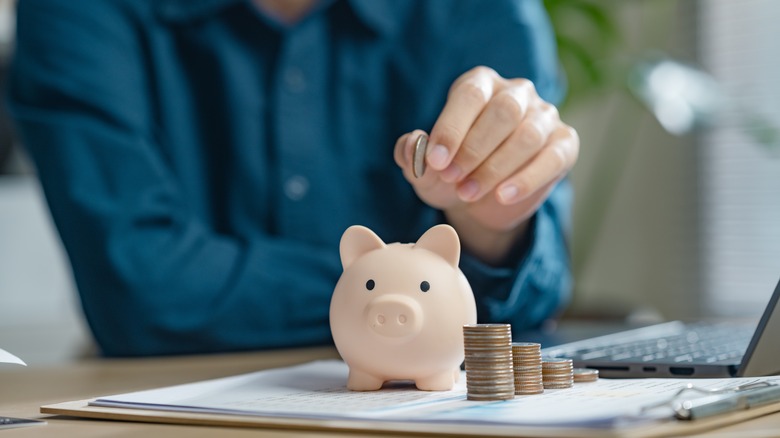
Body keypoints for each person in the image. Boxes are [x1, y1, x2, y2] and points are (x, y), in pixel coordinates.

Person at [7, 0, 579, 356]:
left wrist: (489, 229)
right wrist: (445, 293)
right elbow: (139, 292)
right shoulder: (76, 11)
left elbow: (535, 284)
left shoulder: (480, 9)